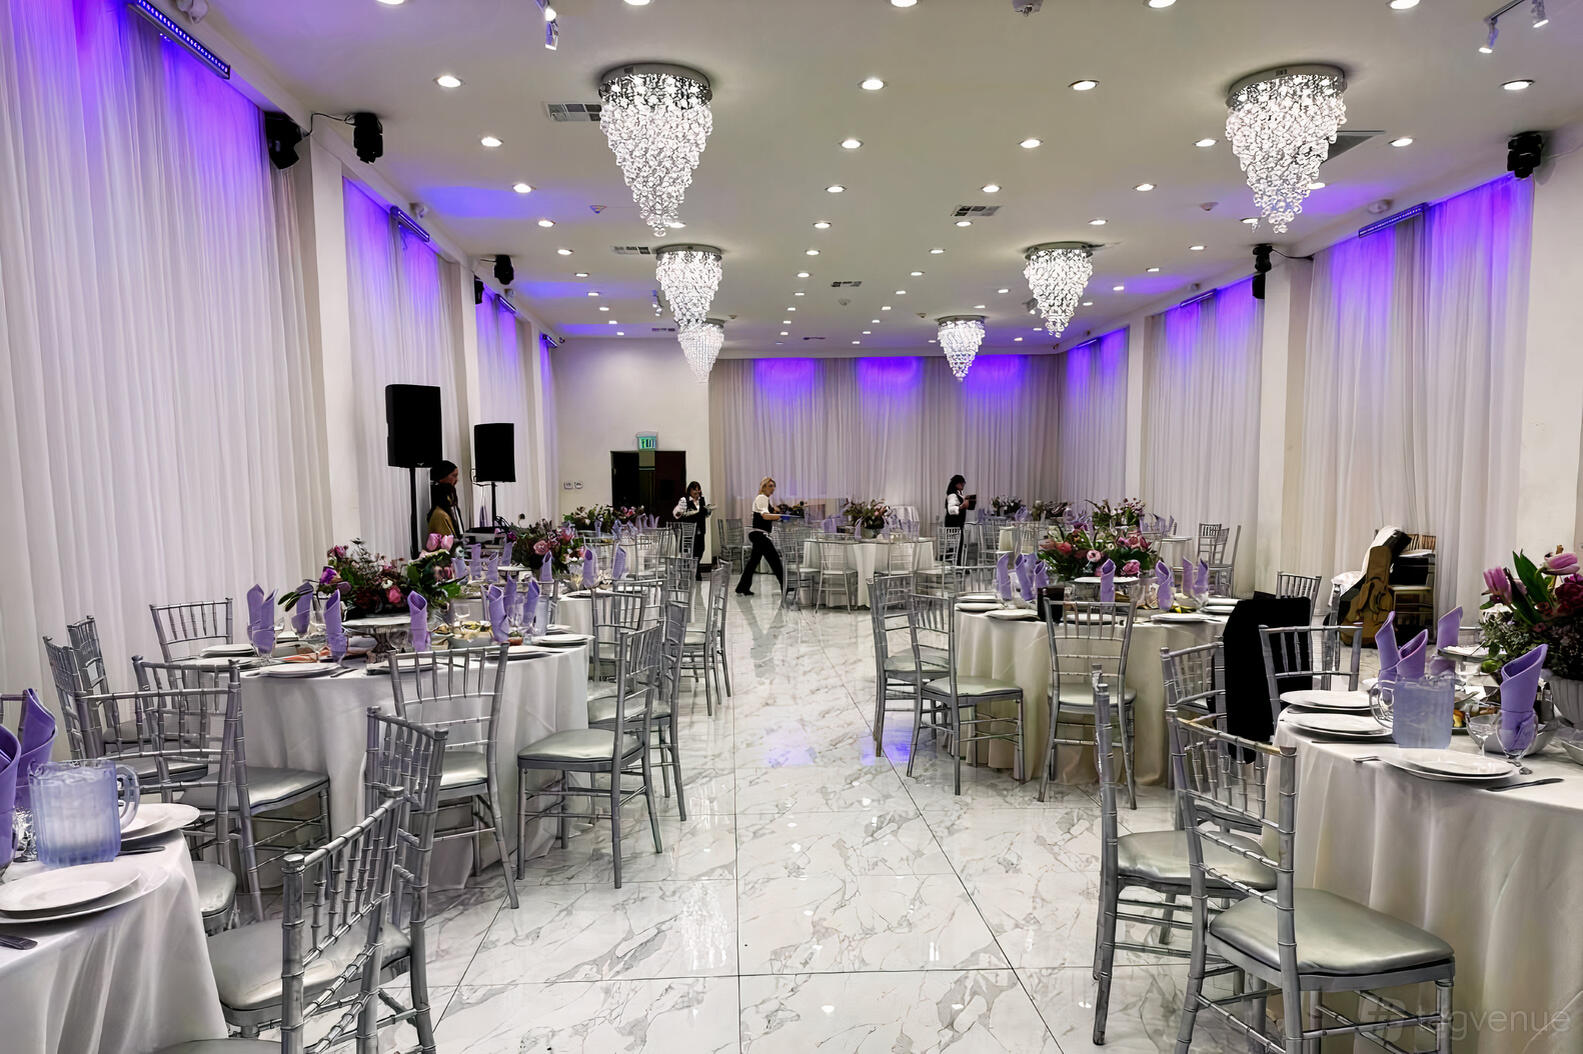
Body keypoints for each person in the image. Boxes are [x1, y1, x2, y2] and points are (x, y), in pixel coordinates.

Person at [735, 476, 785, 596]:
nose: (772, 489)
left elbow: (769, 514)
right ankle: (785, 585)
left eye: (774, 486)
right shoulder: (762, 497)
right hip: (760, 535)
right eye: (770, 486)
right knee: (775, 561)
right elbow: (765, 516)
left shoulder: (765, 499)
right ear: (763, 487)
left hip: (758, 535)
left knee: (753, 562)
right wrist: (780, 516)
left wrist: (777, 513)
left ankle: (742, 588)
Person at [672, 481, 711, 579]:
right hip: (689, 530)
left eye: (698, 489)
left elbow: (705, 514)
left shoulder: (702, 500)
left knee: (701, 550)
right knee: (691, 552)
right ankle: (695, 573)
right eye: (694, 489)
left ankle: (695, 570)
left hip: (700, 529)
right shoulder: (684, 500)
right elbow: (677, 514)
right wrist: (681, 511)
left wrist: (708, 511)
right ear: (690, 490)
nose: (697, 492)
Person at [426, 460, 463, 538]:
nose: (456, 480)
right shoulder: (439, 513)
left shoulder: (449, 499)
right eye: (454, 475)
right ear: (442, 476)